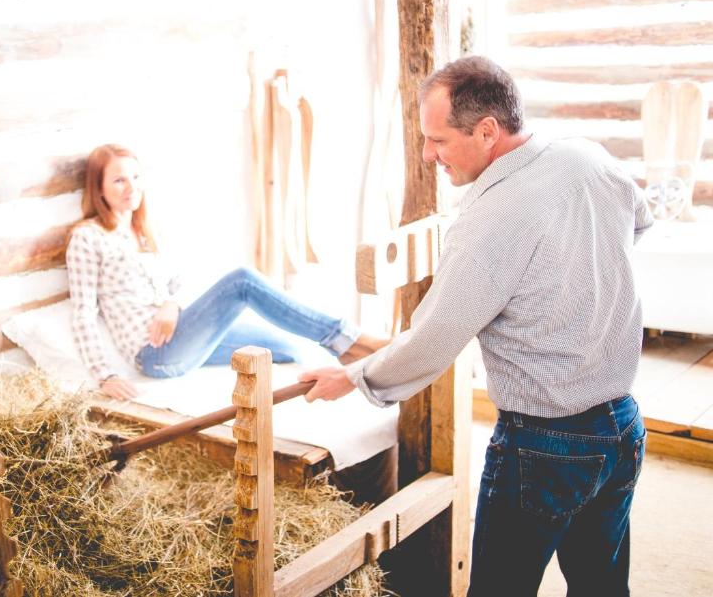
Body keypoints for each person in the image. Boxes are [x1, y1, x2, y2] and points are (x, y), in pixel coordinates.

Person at [299, 56, 653, 596]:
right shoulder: (587, 156)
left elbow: (435, 338)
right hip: (623, 426)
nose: (427, 154)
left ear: (487, 130)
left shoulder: (492, 215)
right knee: (602, 584)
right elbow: (641, 220)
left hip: (545, 444)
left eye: (438, 140)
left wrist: (353, 377)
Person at [65, 143, 384, 400]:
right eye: (119, 180)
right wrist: (105, 375)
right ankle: (350, 339)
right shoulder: (87, 237)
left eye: (136, 177)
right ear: (99, 188)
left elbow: (181, 281)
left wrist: (171, 304)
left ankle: (353, 365)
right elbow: (82, 313)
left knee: (289, 348)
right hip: (156, 353)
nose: (131, 187)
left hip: (186, 332)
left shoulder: (145, 232)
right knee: (242, 282)